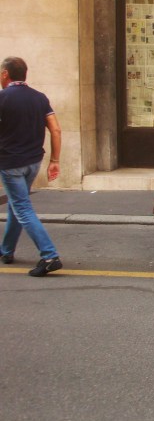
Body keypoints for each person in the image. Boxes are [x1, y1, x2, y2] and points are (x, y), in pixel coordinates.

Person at [0, 57, 63, 276]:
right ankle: (6, 251)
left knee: (22, 208)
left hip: (10, 163)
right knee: (16, 205)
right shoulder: (39, 98)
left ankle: (49, 255)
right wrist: (55, 160)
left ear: (6, 74)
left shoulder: (2, 98)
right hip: (33, 162)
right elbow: (55, 130)